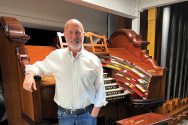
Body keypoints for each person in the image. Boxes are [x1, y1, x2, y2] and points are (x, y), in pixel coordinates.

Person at [23, 19, 107, 125]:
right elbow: (39, 67)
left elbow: (100, 88)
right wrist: (29, 75)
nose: (74, 36)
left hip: (87, 115)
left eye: (78, 32)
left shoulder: (94, 60)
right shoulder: (57, 56)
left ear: (83, 34)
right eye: (70, 32)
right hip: (65, 116)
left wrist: (94, 114)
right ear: (65, 35)